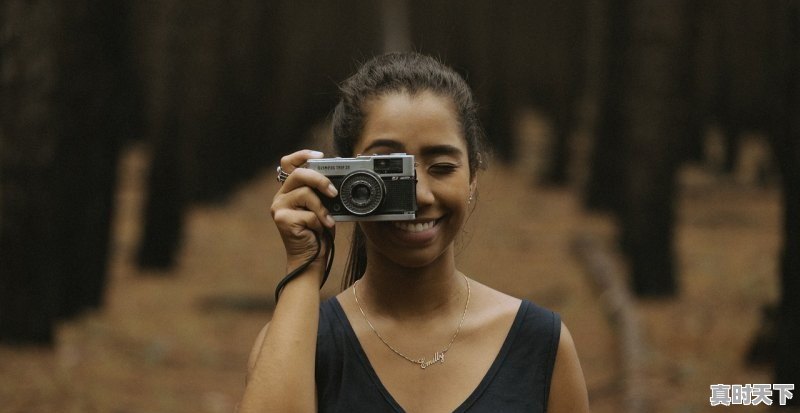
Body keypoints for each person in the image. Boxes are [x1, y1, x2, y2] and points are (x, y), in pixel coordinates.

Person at [239, 52, 590, 412]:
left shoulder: (540, 346)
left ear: (472, 178)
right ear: (343, 178)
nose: (419, 195)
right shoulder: (298, 345)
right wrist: (304, 265)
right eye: (387, 171)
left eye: (441, 167)